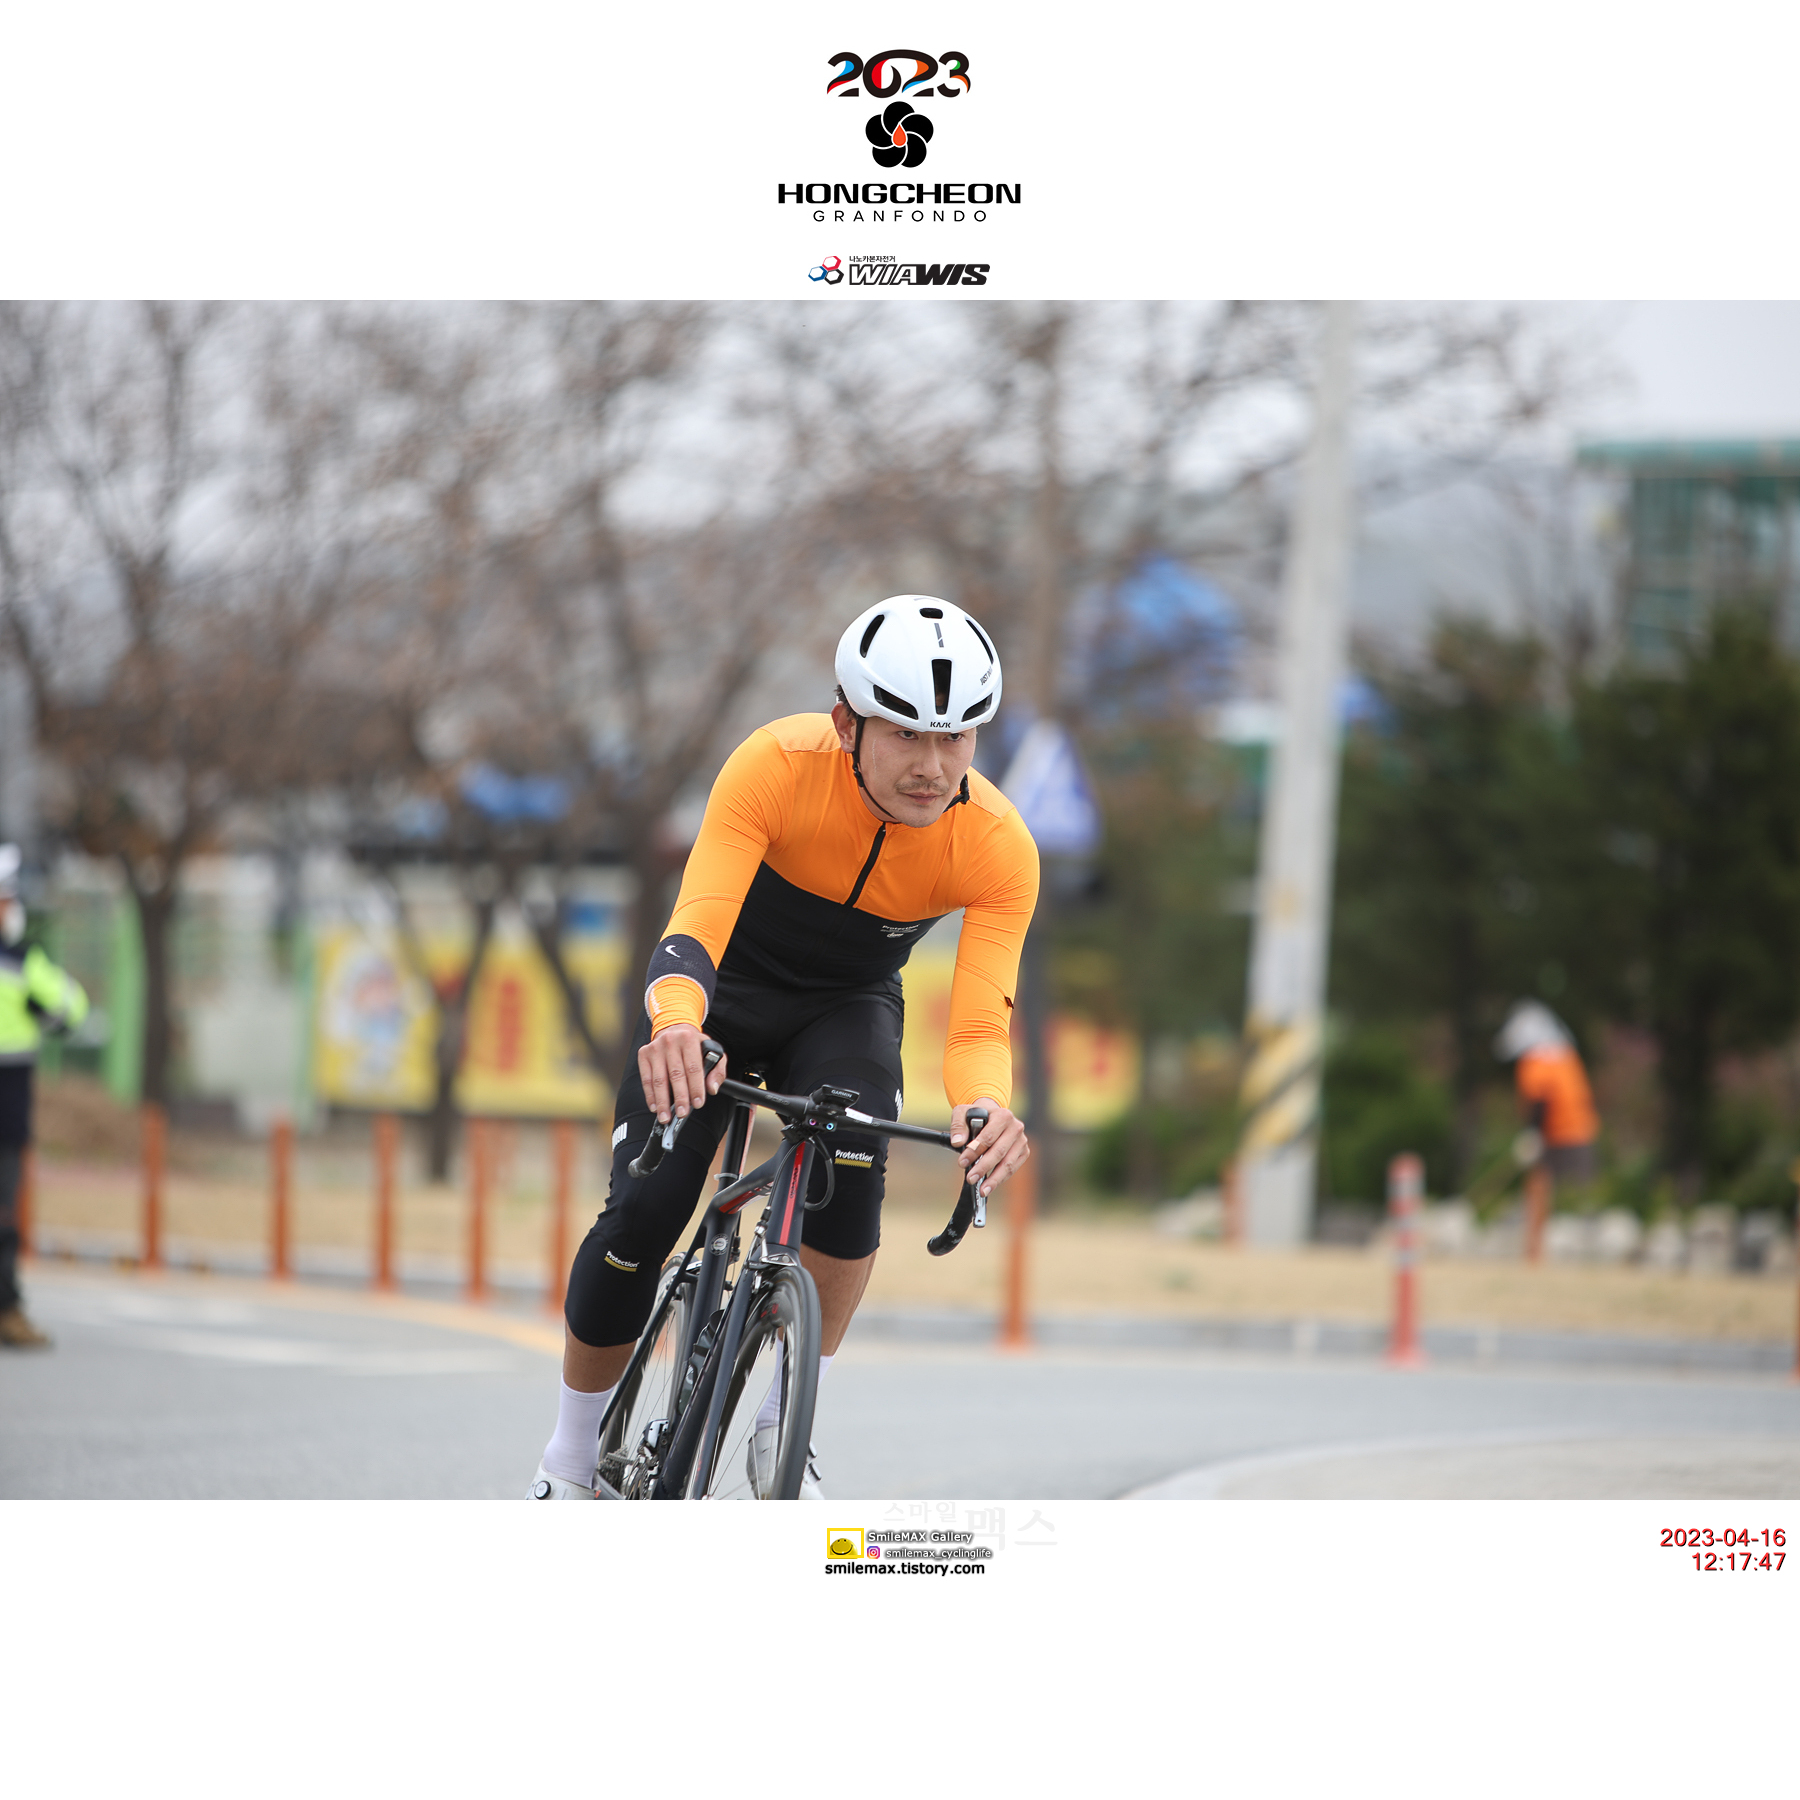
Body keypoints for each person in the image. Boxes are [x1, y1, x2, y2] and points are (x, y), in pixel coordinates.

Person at [530, 597, 1039, 1499]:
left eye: (956, 738)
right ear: (847, 723)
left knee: (858, 1158)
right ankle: (568, 1463)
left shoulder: (998, 845)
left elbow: (976, 1030)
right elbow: (694, 929)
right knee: (645, 1212)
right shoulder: (774, 765)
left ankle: (782, 1428)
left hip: (845, 1010)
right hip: (720, 995)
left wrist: (987, 1105)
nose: (933, 767)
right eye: (906, 735)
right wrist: (676, 1023)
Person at [0, 846, 90, 1349]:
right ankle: (6, 1311)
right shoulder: (20, 964)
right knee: (3, 1217)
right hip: (6, 1111)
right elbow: (71, 1009)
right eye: (7, 899)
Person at [1493, 1000, 1599, 1190]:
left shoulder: (1535, 1063)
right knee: (1577, 1194)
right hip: (1582, 1134)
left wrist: (1532, 1134)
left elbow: (1540, 1101)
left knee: (1546, 1189)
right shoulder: (1566, 1056)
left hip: (1556, 1139)